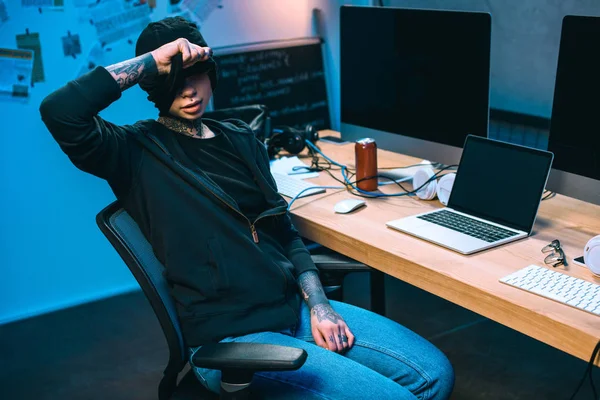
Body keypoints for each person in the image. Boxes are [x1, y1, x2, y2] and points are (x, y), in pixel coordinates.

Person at [40, 17, 454, 399]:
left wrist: (320, 306)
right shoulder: (133, 151)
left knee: (435, 375)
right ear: (151, 85)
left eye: (196, 75)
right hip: (232, 339)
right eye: (172, 80)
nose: (188, 90)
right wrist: (154, 60)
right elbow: (60, 111)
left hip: (293, 310)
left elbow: (285, 233)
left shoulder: (239, 137)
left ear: (211, 74)